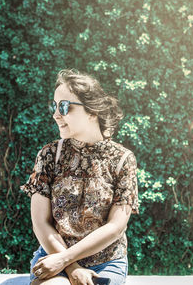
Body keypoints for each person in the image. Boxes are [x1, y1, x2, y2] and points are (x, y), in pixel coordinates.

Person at [21, 69, 139, 285]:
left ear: (92, 111)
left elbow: (115, 227)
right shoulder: (49, 155)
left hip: (106, 262)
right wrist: (70, 266)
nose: (56, 114)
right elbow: (40, 222)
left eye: (64, 107)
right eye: (54, 106)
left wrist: (67, 259)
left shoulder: (123, 159)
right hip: (53, 255)